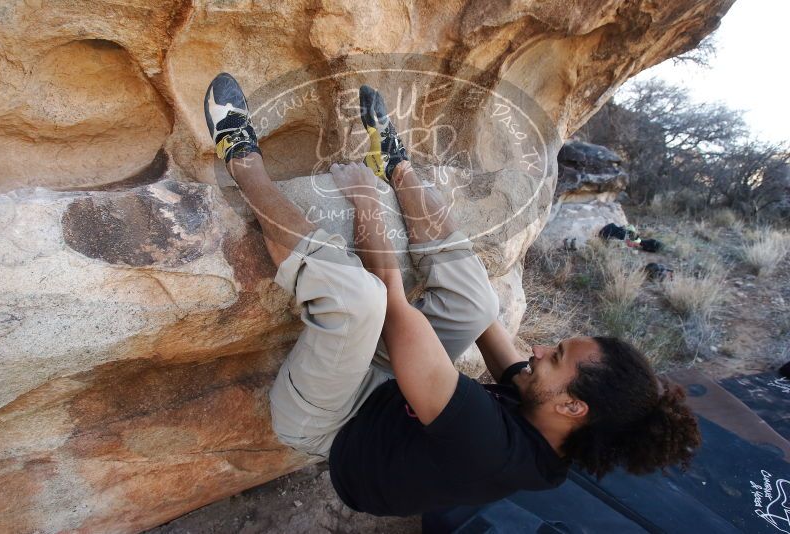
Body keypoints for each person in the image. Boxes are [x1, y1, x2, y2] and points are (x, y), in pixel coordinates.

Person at [203, 73, 702, 517]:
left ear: (573, 407)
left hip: (331, 425)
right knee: (480, 303)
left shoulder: (489, 447)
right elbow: (487, 326)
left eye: (556, 357)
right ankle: (395, 164)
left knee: (360, 300)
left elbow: (391, 299)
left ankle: (240, 156)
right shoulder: (556, 424)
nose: (538, 349)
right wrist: (409, 197)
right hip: (391, 398)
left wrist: (365, 199)